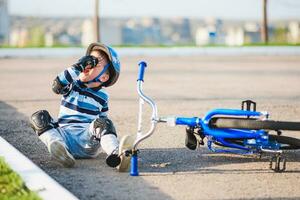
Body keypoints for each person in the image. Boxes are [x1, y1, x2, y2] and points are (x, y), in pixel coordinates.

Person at [29, 43, 132, 171]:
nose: (89, 64)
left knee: (104, 123)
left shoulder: (103, 96)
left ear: (104, 77)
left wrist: (104, 134)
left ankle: (117, 154)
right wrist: (78, 66)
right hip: (63, 136)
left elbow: (103, 122)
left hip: (86, 140)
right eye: (89, 59)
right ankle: (58, 148)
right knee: (39, 117)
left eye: (96, 62)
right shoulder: (72, 85)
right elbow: (57, 85)